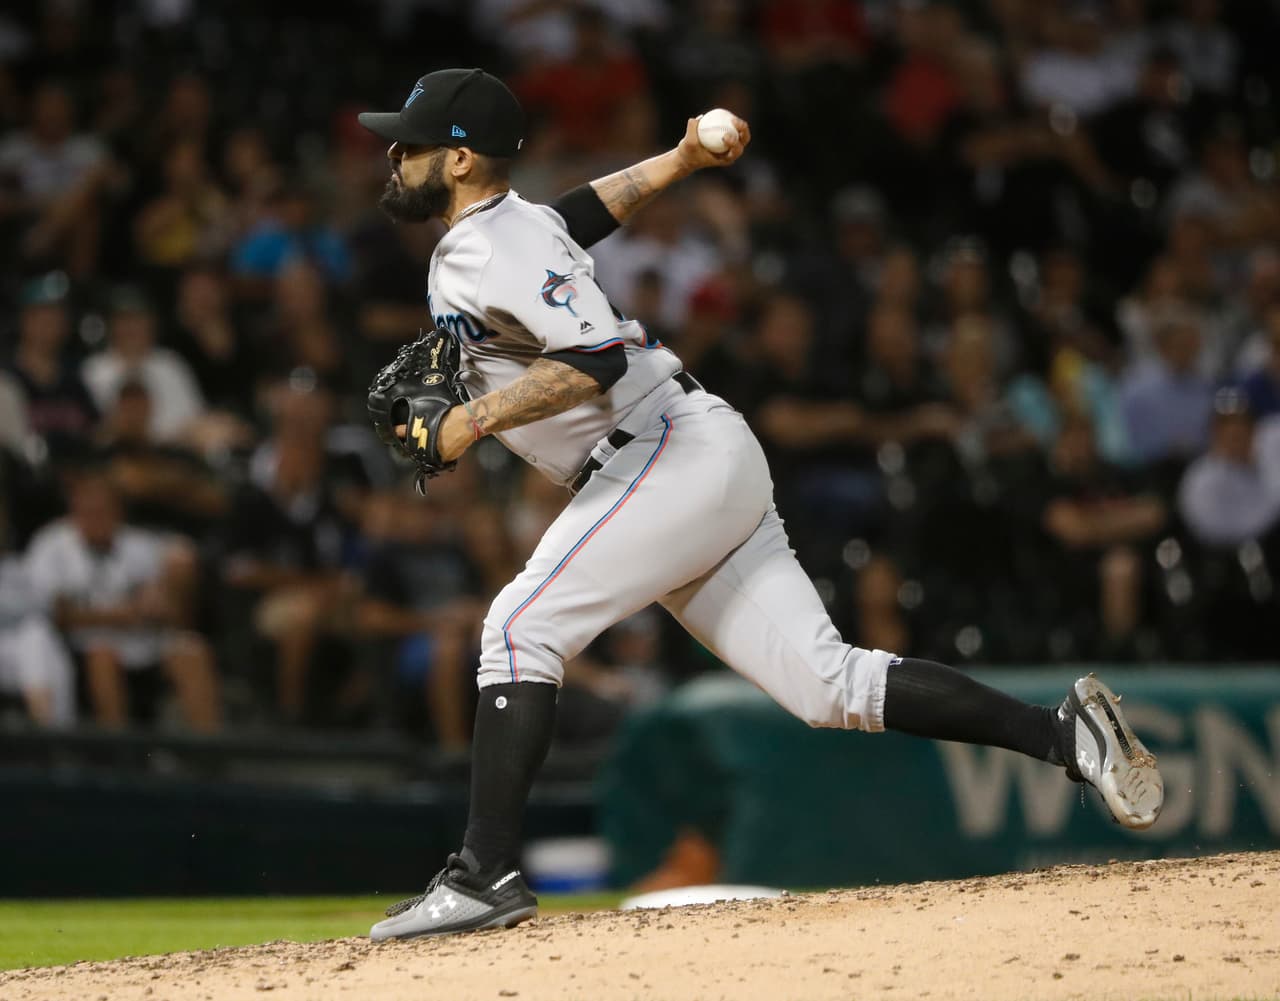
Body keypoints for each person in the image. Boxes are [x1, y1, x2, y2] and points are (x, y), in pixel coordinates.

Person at [355, 67, 1164, 941]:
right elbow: (584, 213)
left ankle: (484, 872)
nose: (395, 155)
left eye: (413, 142)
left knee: (518, 628)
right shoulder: (513, 227)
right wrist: (680, 158)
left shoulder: (492, 243)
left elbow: (597, 357)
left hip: (661, 454)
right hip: (690, 456)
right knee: (829, 683)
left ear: (465, 159)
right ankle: (1065, 735)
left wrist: (471, 420)